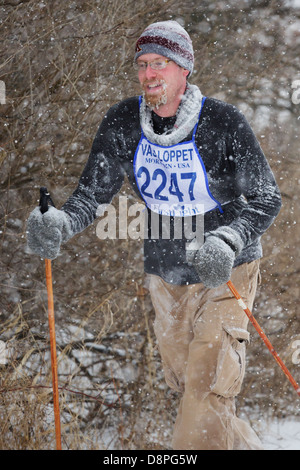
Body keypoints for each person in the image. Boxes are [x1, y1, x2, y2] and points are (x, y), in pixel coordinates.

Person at [26, 20, 282, 450]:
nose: (149, 74)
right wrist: (61, 223)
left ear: (184, 69)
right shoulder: (124, 122)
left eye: (159, 63)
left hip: (226, 269)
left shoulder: (221, 122)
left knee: (207, 388)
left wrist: (229, 239)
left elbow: (266, 197)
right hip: (165, 270)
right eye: (143, 64)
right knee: (191, 389)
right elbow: (93, 193)